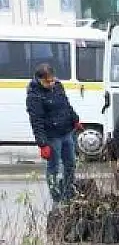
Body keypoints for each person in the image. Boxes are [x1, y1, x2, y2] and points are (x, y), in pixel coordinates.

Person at [26, 63, 80, 203]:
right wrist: (42, 144)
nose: (51, 84)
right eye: (47, 81)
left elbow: (66, 105)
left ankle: (68, 190)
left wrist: (75, 119)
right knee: (54, 167)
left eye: (52, 80)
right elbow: (36, 121)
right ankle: (56, 195)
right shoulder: (34, 95)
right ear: (39, 80)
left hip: (66, 132)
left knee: (70, 164)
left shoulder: (58, 86)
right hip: (52, 137)